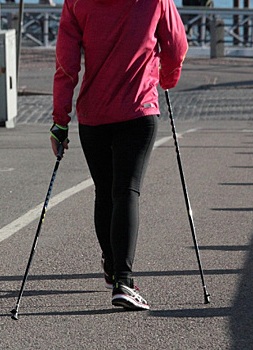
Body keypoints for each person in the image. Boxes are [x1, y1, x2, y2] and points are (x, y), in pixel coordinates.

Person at [50, 0, 188, 310]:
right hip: (139, 109)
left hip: (93, 114)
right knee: (126, 189)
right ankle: (124, 281)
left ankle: (113, 269)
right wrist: (167, 78)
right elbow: (177, 46)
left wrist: (60, 120)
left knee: (105, 191)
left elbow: (66, 62)